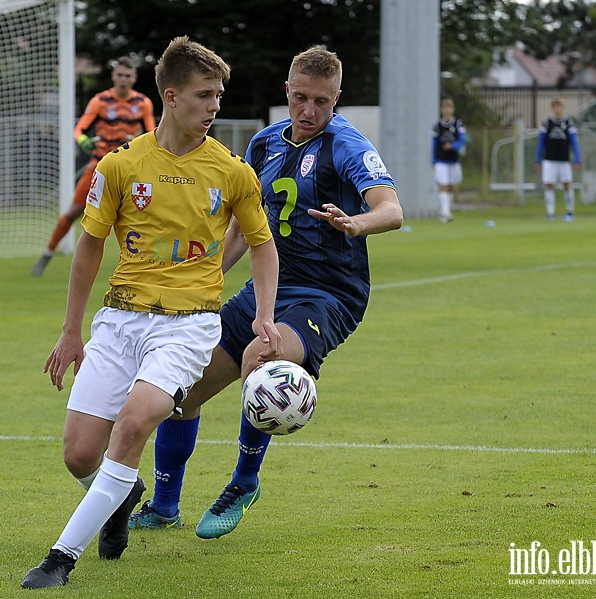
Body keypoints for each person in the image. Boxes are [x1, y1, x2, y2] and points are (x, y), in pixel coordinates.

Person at [20, 36, 281, 589]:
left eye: (218, 95)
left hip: (188, 327)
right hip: (119, 321)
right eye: (205, 95)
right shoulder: (120, 167)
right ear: (170, 96)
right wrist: (72, 332)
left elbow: (261, 244)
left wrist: (263, 315)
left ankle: (59, 559)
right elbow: (89, 244)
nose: (215, 106)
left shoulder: (233, 172)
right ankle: (124, 494)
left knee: (136, 422)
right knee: (78, 455)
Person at [127, 47, 402, 540]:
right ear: (287, 92)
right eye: (300, 98)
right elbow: (244, 227)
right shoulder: (263, 145)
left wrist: (357, 222)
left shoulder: (348, 146)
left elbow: (391, 208)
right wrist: (208, 275)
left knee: (265, 359)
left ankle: (244, 482)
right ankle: (165, 506)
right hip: (267, 288)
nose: (309, 111)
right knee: (182, 391)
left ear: (337, 99)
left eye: (321, 101)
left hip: (327, 297)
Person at [30, 56, 156, 276]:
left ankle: (147, 261)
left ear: (134, 78)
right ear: (113, 76)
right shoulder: (100, 100)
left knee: (145, 213)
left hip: (130, 168)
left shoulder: (143, 103)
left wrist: (137, 140)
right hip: (99, 165)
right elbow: (79, 130)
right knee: (73, 212)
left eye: (128, 76)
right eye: (120, 75)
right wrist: (83, 141)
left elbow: (152, 135)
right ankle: (48, 253)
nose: (123, 80)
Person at [534, 97, 581, 222]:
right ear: (552, 109)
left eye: (559, 107)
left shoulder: (568, 123)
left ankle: (570, 212)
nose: (557, 109)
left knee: (567, 184)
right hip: (549, 160)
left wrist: (577, 159)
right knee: (549, 185)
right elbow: (541, 142)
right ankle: (550, 213)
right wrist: (537, 160)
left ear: (562, 108)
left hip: (564, 160)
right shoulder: (547, 123)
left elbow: (574, 142)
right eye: (555, 107)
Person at [432, 98, 466, 223]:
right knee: (444, 184)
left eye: (449, 107)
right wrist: (433, 160)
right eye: (444, 107)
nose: (447, 110)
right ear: (441, 109)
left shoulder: (458, 124)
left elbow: (462, 140)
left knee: (450, 185)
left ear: (452, 109)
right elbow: (434, 144)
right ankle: (445, 213)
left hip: (453, 160)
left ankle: (446, 210)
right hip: (441, 160)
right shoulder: (437, 126)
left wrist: (453, 146)